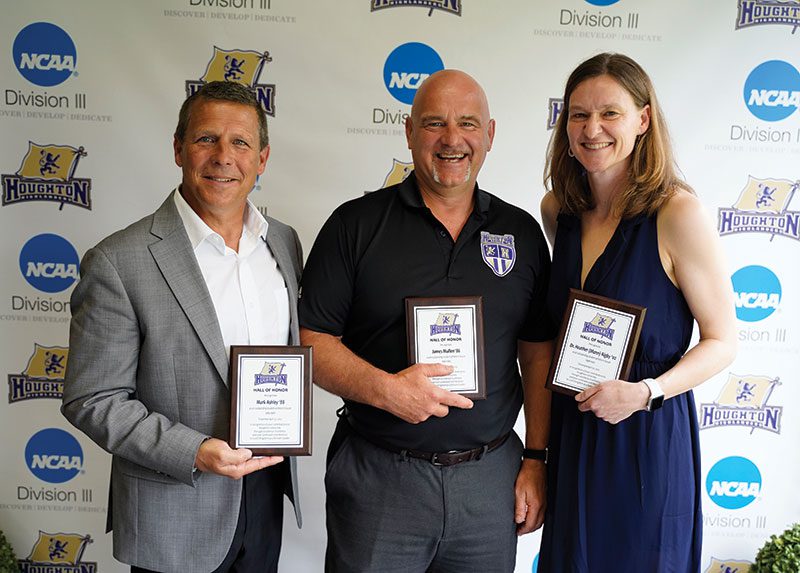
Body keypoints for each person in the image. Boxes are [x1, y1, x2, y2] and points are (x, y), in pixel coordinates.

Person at [299, 69, 553, 572]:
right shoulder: (355, 225)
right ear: (409, 131)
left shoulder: (520, 232)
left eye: (468, 124)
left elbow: (539, 351)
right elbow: (311, 342)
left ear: (491, 134)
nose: (452, 140)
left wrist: (538, 459)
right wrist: (385, 389)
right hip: (381, 478)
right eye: (434, 124)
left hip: (490, 480)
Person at [61, 81, 303, 573]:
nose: (223, 156)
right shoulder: (118, 261)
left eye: (240, 142)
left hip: (264, 501)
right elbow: (92, 398)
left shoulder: (284, 242)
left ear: (263, 157)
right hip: (174, 508)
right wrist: (194, 451)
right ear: (178, 149)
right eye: (205, 139)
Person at [538, 53, 737, 572]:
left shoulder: (677, 212)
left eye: (610, 113)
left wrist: (646, 393)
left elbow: (723, 341)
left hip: (645, 439)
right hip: (574, 432)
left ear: (643, 119)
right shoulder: (558, 210)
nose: (592, 129)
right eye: (578, 115)